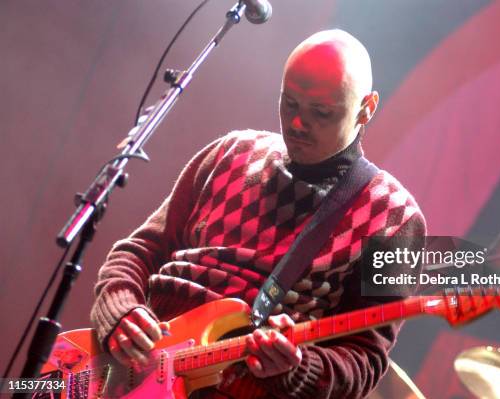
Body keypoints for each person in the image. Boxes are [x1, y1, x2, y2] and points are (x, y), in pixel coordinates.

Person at [90, 29, 426, 398]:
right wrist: (119, 310)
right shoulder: (230, 152)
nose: (298, 124)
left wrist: (297, 367)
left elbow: (365, 362)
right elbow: (138, 251)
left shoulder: (394, 218)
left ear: (367, 107)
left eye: (321, 113)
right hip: (128, 370)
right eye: (289, 103)